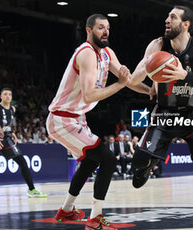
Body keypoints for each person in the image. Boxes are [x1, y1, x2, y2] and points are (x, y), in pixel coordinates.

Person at [46, 14, 150, 229]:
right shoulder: (86, 54)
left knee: (91, 161)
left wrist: (150, 92)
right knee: (109, 159)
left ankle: (66, 211)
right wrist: (120, 85)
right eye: (101, 27)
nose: (105, 31)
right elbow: (89, 95)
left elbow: (127, 80)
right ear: (89, 31)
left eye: (108, 28)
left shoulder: (106, 53)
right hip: (62, 119)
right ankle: (95, 218)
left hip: (76, 118)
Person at [130, 6, 193, 230]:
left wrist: (183, 75)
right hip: (164, 112)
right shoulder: (157, 45)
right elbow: (133, 79)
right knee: (137, 160)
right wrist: (148, 83)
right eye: (167, 16)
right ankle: (147, 165)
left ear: (185, 24)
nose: (167, 20)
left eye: (173, 17)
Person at [0, 88, 47, 198]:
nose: (8, 96)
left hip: (5, 138)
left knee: (22, 161)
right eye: (5, 94)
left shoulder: (13, 109)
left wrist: (11, 132)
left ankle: (31, 189)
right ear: (0, 97)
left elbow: (5, 125)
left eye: (10, 94)